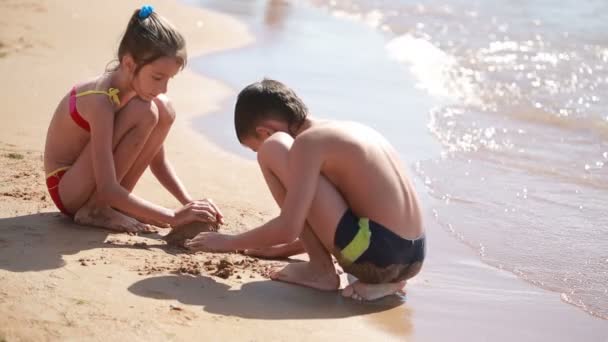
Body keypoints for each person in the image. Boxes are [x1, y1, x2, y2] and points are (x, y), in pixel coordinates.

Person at [186, 79, 425, 301]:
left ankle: (320, 271)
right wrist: (285, 249)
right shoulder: (345, 131)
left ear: (264, 132)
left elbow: (288, 228)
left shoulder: (306, 143)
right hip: (412, 258)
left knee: (273, 150)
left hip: (375, 255)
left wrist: (229, 242)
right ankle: (383, 281)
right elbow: (342, 212)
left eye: (254, 147)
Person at [43, 5, 223, 234]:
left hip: (96, 184)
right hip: (67, 188)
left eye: (169, 79)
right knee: (146, 111)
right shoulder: (101, 101)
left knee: (164, 109)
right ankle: (97, 209)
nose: (163, 87)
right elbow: (107, 187)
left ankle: (111, 206)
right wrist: (173, 217)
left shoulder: (139, 95)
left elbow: (158, 162)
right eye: (157, 77)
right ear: (129, 64)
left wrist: (188, 203)